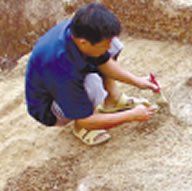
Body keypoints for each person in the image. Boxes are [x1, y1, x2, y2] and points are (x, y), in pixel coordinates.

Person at [25, 3, 159, 145]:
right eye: (104, 45)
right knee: (93, 84)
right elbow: (85, 119)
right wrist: (131, 116)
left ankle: (114, 100)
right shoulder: (61, 68)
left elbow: (104, 62)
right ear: (83, 43)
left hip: (65, 80)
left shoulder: (82, 29)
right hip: (50, 109)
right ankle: (82, 128)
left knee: (113, 45)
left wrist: (138, 81)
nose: (108, 47)